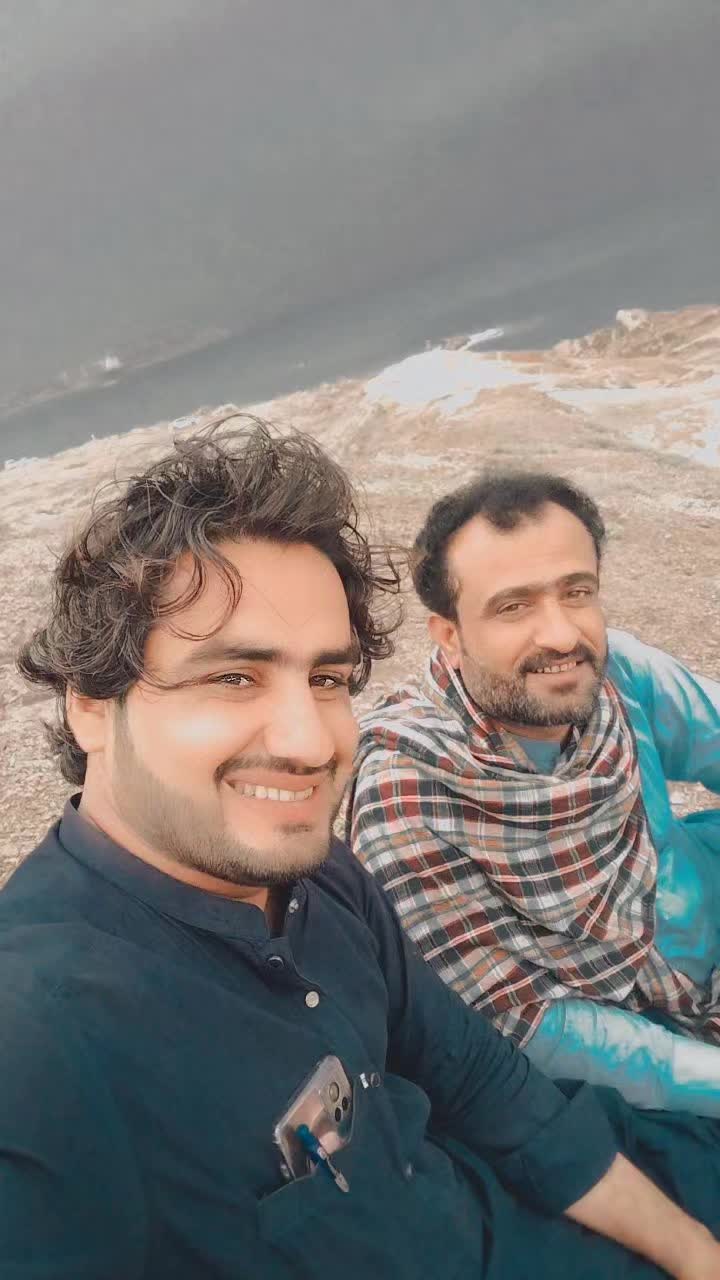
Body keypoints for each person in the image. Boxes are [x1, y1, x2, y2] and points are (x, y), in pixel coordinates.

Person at [3, 423, 720, 1280]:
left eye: (327, 679)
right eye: (233, 677)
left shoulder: (316, 876)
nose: (311, 744)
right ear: (90, 704)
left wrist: (692, 1252)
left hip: (504, 1198)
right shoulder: (42, 1045)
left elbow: (479, 1078)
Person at [349, 470, 720, 1117]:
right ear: (450, 635)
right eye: (513, 607)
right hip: (638, 1045)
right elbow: (532, 1027)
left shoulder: (613, 674)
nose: (561, 635)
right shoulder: (408, 794)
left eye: (576, 593)